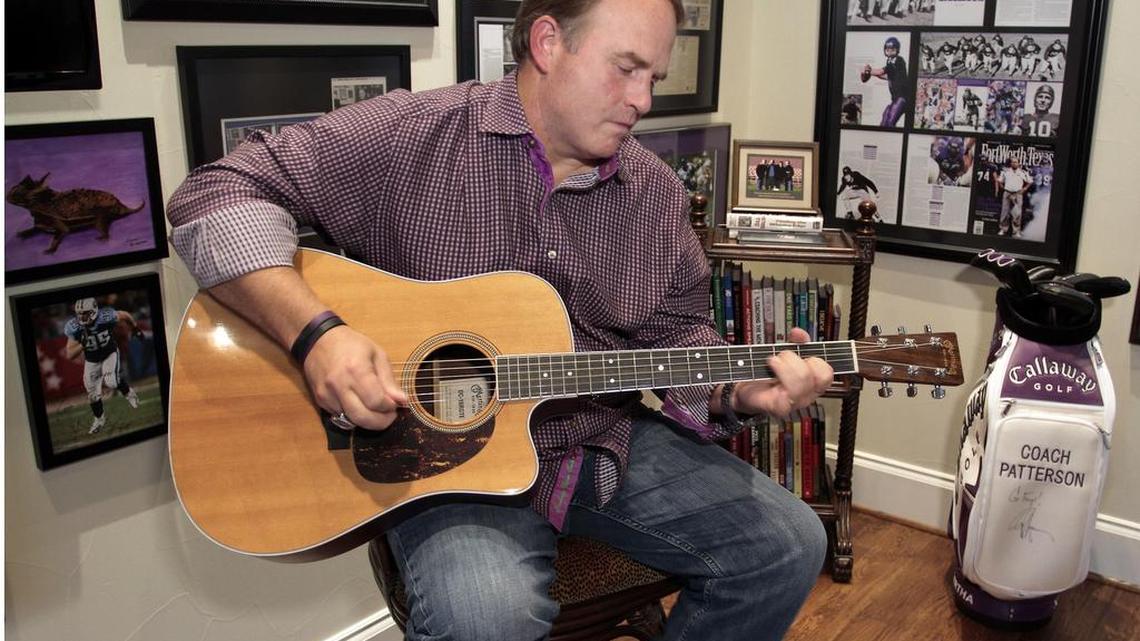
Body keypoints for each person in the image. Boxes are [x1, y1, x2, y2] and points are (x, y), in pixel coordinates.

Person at [165, 1, 833, 640]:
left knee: (791, 543)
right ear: (548, 44)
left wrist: (741, 389)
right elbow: (212, 194)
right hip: (439, 454)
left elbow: (680, 333)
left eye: (653, 77)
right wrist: (317, 334)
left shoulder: (656, 195)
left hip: (598, 438)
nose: (643, 100)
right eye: (625, 68)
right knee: (488, 615)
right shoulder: (410, 135)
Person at [65, 297, 143, 434]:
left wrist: (135, 328)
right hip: (92, 360)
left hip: (109, 353)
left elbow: (124, 314)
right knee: (93, 394)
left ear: (94, 310)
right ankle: (99, 420)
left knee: (111, 382)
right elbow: (70, 354)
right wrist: (82, 344)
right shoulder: (74, 327)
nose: (82, 316)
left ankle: (129, 394)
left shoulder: (106, 316)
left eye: (85, 313)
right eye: (79, 313)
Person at [863, 36, 908, 127]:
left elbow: (880, 71)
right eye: (888, 49)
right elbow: (886, 76)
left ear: (897, 49)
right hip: (895, 98)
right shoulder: (889, 61)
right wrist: (872, 73)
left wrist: (868, 71)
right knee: (885, 118)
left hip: (902, 98)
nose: (890, 51)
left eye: (892, 49)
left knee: (890, 121)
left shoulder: (899, 60)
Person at [997, 156, 1033, 237]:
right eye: (1012, 162)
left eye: (1016, 162)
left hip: (1017, 194)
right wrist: (1003, 187)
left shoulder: (1022, 172)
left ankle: (1016, 231)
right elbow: (999, 180)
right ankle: (1003, 229)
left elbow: (1030, 181)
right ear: (1010, 163)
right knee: (1004, 213)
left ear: (1019, 163)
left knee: (1017, 214)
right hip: (1007, 193)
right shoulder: (1005, 171)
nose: (1014, 163)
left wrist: (1024, 189)